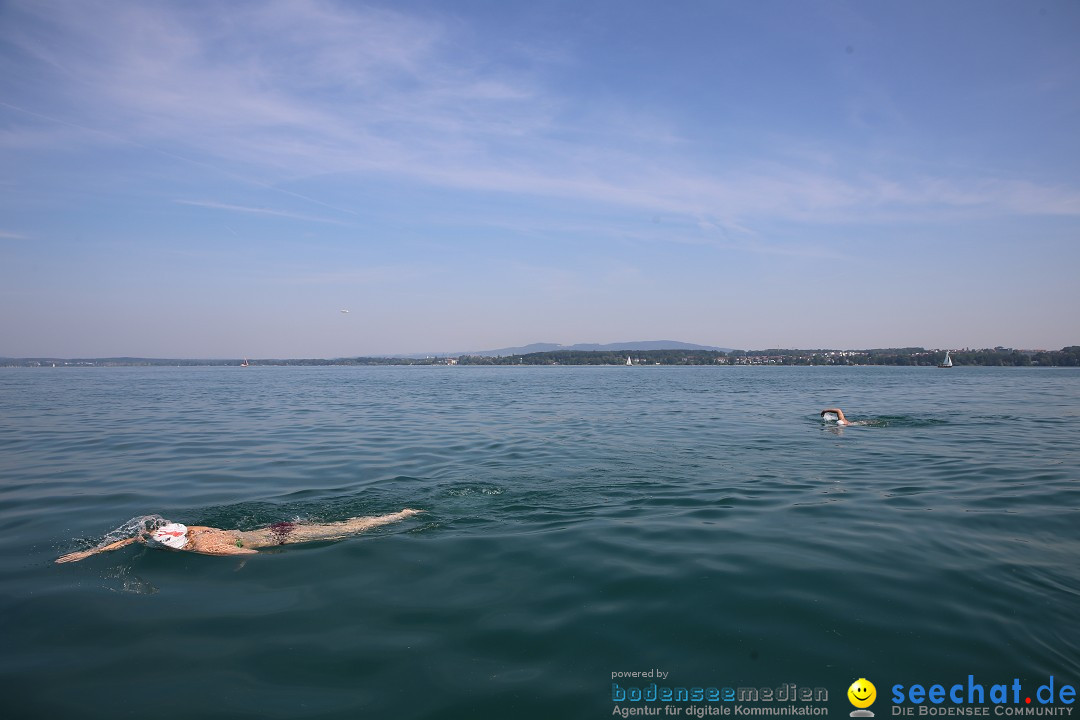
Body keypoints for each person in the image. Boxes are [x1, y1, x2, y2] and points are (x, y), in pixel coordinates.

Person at [56, 508, 423, 563]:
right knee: (347, 525)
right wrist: (88, 553)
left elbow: (251, 555)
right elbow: (133, 539)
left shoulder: (205, 546)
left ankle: (402, 515)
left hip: (274, 540)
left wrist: (239, 564)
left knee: (352, 528)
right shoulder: (195, 530)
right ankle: (394, 514)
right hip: (269, 530)